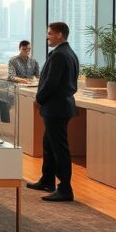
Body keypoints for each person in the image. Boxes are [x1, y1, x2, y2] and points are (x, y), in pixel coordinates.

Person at [27, 22, 79, 202]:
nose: (47, 36)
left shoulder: (60, 55)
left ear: (59, 35)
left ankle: (65, 189)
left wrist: (38, 99)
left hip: (56, 108)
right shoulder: (68, 53)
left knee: (59, 149)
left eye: (50, 33)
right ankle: (47, 180)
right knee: (48, 145)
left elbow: (51, 83)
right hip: (59, 107)